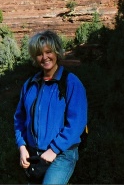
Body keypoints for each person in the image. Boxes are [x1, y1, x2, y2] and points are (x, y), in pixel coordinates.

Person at [14, 30, 87, 184]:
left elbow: (77, 123)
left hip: (62, 154)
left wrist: (53, 149)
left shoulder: (71, 83)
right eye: (40, 53)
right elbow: (19, 119)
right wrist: (22, 147)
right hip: (34, 155)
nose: (45, 57)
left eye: (49, 52)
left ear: (57, 52)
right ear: (35, 57)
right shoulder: (29, 85)